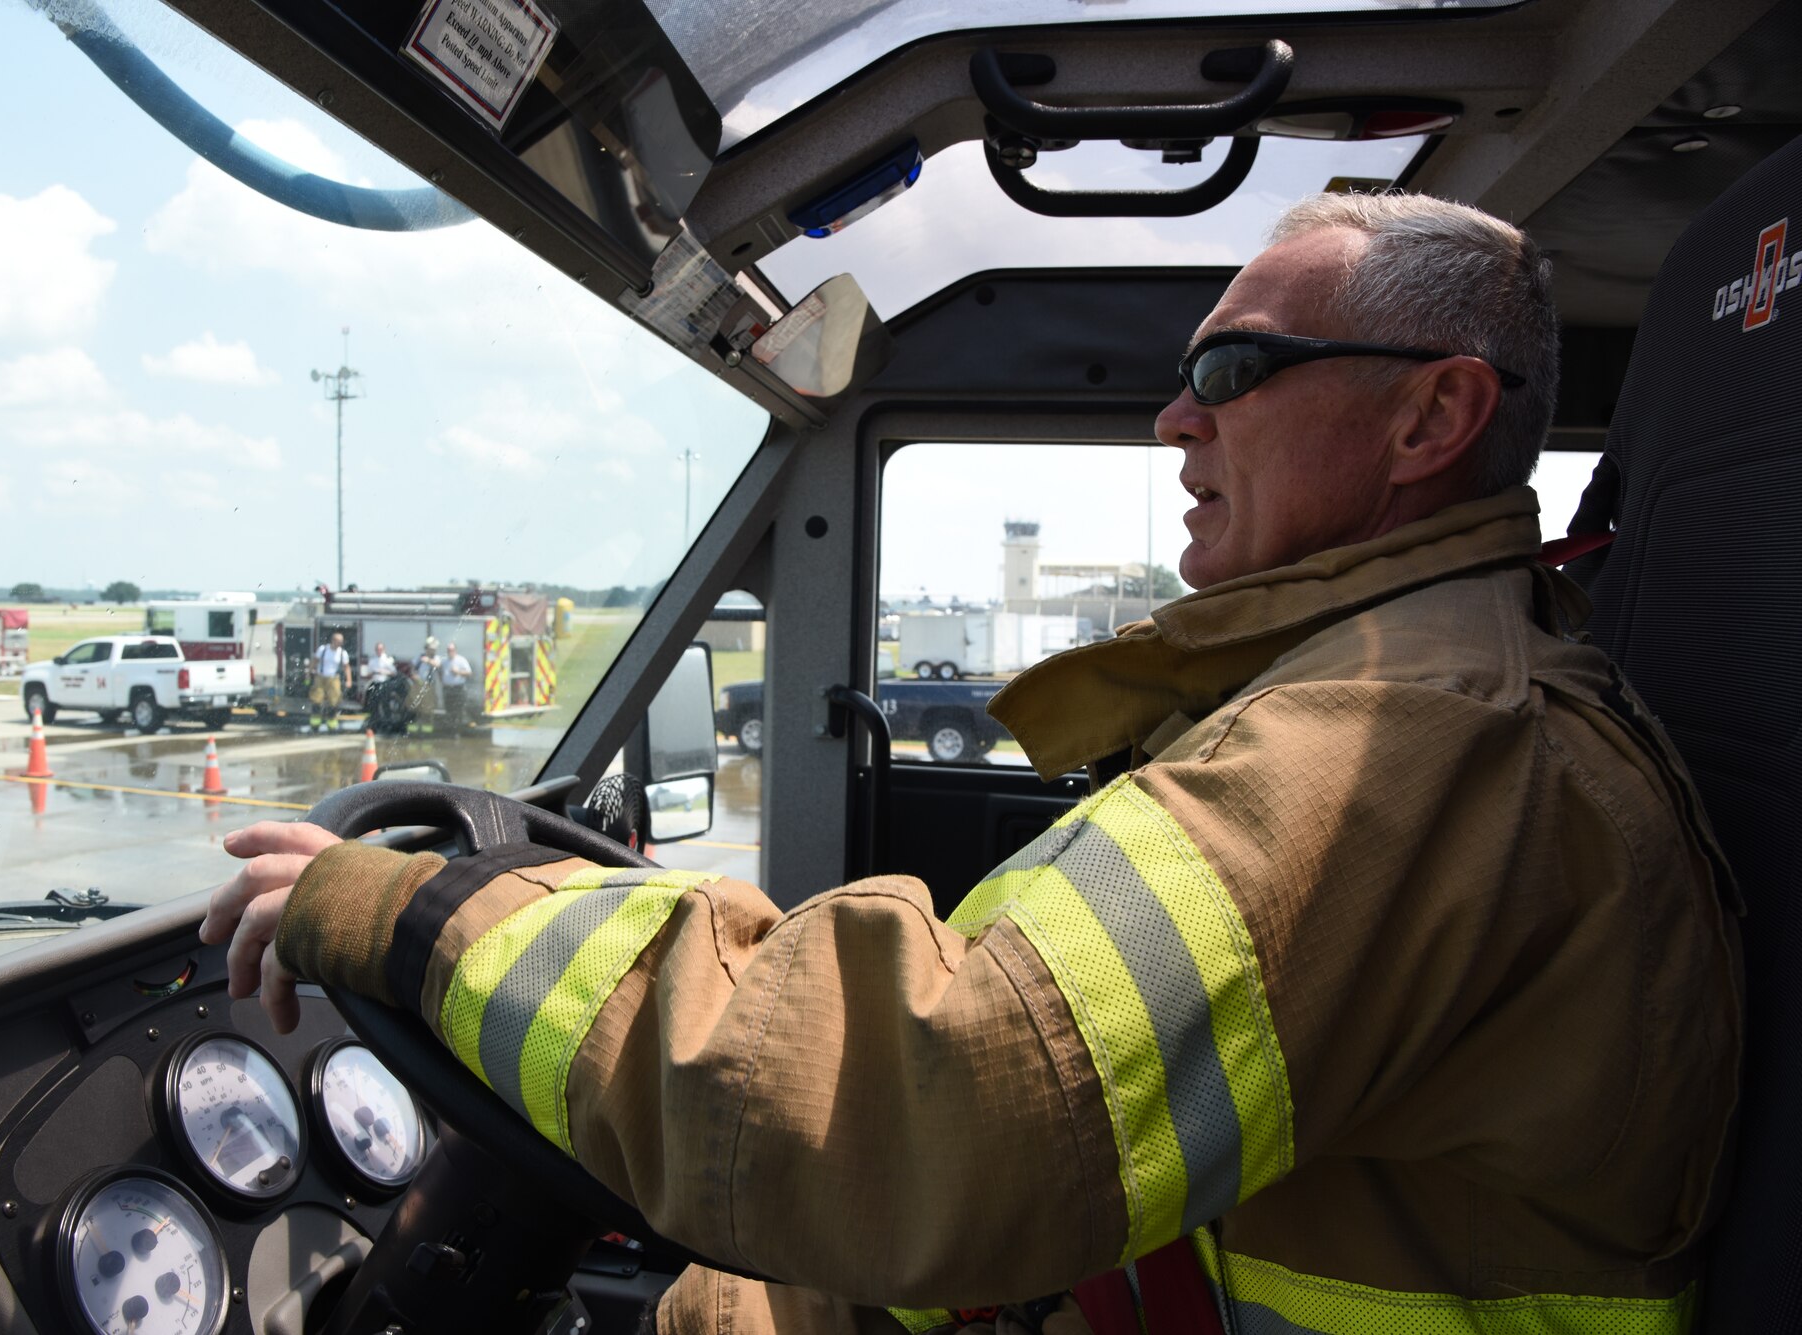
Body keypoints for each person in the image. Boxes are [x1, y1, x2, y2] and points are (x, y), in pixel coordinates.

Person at [203, 194, 1741, 1335]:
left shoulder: (1415, 735)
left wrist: (417, 916)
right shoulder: (1394, 684)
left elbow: (939, 1097)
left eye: (1228, 374)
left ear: (1432, 414)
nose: (1170, 423)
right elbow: (1057, 1155)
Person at [306, 631, 349, 733]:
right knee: (316, 700)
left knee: (334, 702)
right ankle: (315, 725)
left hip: (334, 679)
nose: (340, 643)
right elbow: (315, 661)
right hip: (320, 677)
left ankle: (332, 725)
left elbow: (346, 667)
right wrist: (308, 673)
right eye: (339, 641)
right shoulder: (323, 649)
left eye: (341, 641)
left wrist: (349, 680)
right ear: (333, 640)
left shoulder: (342, 653)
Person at [411, 636, 445, 735]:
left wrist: (428, 661)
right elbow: (413, 668)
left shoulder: (436, 658)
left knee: (428, 709)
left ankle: (427, 731)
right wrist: (414, 676)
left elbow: (438, 665)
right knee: (416, 707)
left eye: (434, 649)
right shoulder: (419, 657)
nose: (433, 651)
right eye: (431, 649)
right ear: (426, 648)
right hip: (418, 685)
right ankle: (414, 730)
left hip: (430, 686)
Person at [440, 639, 472, 729]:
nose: (450, 652)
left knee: (459, 710)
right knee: (449, 710)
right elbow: (439, 669)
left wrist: (457, 672)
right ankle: (451, 730)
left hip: (458, 689)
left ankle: (459, 729)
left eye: (452, 650)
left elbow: (469, 673)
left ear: (455, 650)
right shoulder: (444, 661)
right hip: (447, 689)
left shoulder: (461, 660)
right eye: (448, 650)